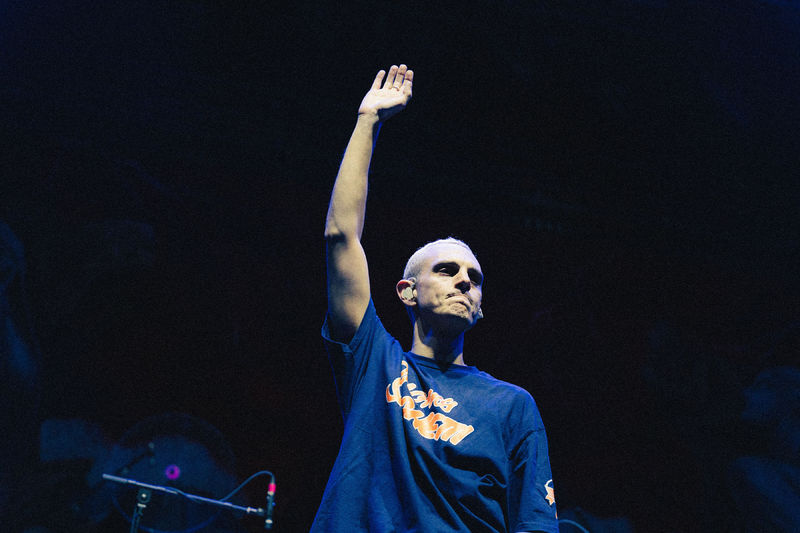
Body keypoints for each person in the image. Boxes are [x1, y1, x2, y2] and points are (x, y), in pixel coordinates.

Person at [314, 64, 559, 533]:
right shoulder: (374, 364)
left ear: (481, 308)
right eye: (446, 270)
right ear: (407, 291)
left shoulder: (511, 405)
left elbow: (535, 523)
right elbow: (340, 236)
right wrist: (368, 121)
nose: (464, 282)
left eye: (475, 278)